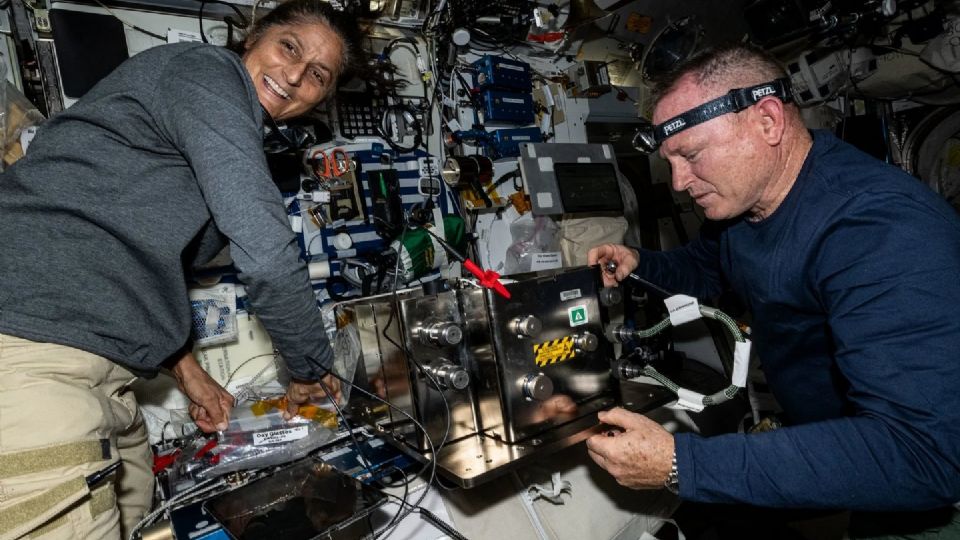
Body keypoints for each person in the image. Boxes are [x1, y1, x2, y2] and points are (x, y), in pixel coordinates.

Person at [0, 1, 363, 538]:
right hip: (32, 354)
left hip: (106, 374)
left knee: (146, 517)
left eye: (317, 75)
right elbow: (265, 249)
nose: (293, 75)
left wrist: (189, 374)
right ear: (253, 39)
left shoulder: (213, 135)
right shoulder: (205, 72)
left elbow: (138, 263)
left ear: (321, 99)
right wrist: (310, 368)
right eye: (289, 47)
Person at [586, 43, 960, 537]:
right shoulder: (743, 211)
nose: (678, 182)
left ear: (767, 121)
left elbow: (923, 456)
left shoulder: (878, 228)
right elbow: (708, 267)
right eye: (670, 161)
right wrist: (640, 263)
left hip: (918, 479)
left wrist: (684, 465)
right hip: (831, 433)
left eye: (691, 155)